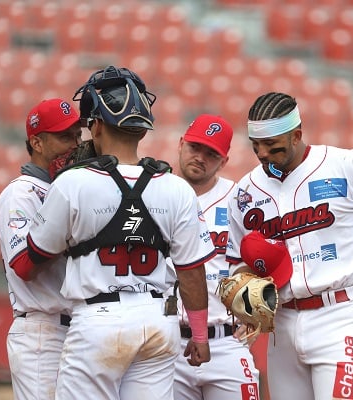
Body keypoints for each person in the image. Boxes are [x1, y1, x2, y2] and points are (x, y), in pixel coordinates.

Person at [23, 66, 214, 400]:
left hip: (97, 320)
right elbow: (191, 270)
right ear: (141, 132)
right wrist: (199, 334)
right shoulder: (176, 187)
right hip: (158, 321)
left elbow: (30, 262)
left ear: (96, 127)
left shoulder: (73, 182)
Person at [224, 91, 353, 400]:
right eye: (256, 146)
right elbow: (238, 259)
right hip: (281, 322)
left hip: (340, 315)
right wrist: (243, 290)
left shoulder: (347, 164)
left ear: (297, 135)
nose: (263, 154)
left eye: (272, 145)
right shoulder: (245, 191)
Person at [0, 98, 82, 399]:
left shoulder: (69, 189)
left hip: (78, 329)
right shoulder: (20, 193)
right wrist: (65, 226)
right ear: (37, 142)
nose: (74, 143)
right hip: (42, 332)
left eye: (76, 135)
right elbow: (24, 265)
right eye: (63, 136)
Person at [171, 114, 261, 399]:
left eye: (211, 154)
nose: (200, 157)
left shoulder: (239, 200)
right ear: (181, 144)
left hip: (225, 340)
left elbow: (257, 259)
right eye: (195, 148)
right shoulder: (156, 194)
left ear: (223, 162)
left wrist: (253, 310)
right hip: (167, 343)